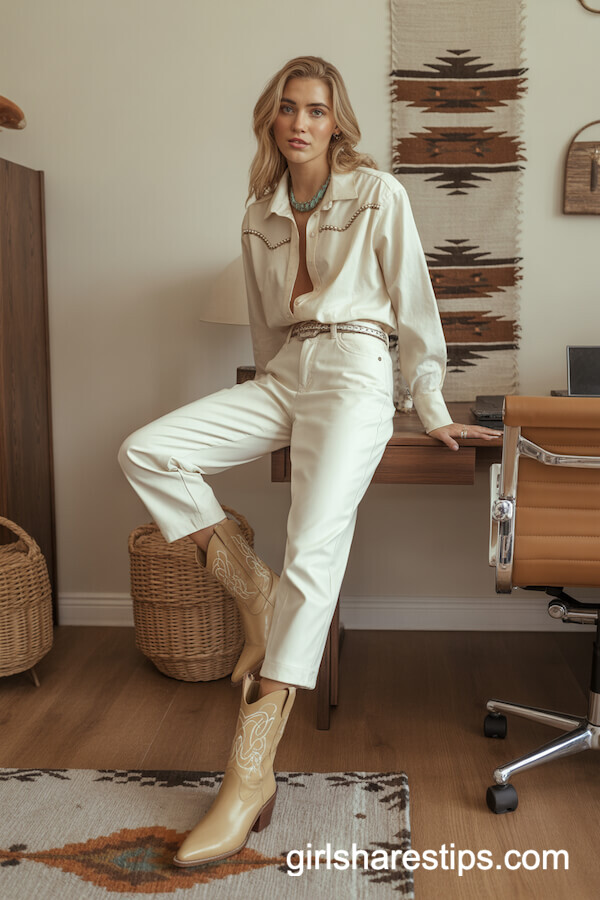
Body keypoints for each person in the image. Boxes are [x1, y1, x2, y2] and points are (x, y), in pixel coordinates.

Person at [118, 55, 502, 867]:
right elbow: (266, 328)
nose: (300, 122)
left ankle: (248, 774)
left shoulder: (378, 193)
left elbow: (415, 311)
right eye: (288, 109)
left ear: (338, 121)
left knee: (314, 547)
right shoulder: (258, 210)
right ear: (272, 120)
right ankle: (250, 589)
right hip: (288, 370)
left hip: (359, 370)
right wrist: (267, 404)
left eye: (317, 110)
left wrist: (429, 407)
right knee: (148, 450)